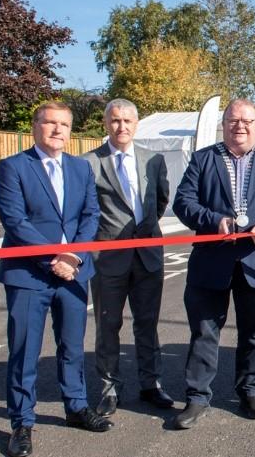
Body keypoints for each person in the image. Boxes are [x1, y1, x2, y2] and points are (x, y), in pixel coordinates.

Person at [0, 102, 111, 457]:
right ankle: (22, 423)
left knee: (73, 347)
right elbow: (16, 223)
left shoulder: (80, 169)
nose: (58, 130)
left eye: (64, 124)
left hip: (74, 272)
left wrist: (73, 257)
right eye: (50, 123)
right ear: (35, 127)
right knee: (24, 350)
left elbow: (91, 215)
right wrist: (52, 259)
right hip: (28, 274)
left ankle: (76, 407)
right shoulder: (13, 167)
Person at [171, 98, 255, 429]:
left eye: (247, 120)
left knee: (253, 333)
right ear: (223, 124)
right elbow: (183, 201)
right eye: (233, 120)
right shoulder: (203, 159)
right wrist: (214, 221)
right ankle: (197, 397)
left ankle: (250, 391)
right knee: (204, 332)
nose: (240, 126)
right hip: (211, 262)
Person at [83, 99, 173, 417]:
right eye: (115, 121)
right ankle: (109, 389)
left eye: (128, 121)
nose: (122, 127)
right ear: (106, 124)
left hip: (147, 255)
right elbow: (87, 211)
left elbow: (161, 200)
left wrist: (143, 232)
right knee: (108, 325)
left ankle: (151, 384)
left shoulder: (154, 160)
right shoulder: (89, 163)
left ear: (136, 124)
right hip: (108, 260)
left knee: (147, 325)